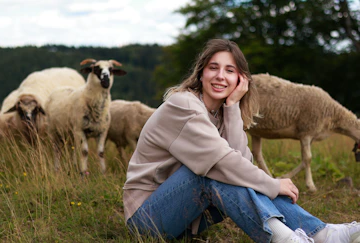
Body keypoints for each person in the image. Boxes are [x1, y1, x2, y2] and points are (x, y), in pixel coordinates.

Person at [122, 38, 360, 243]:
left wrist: (233, 106)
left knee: (233, 172)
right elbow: (224, 163)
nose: (220, 76)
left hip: (186, 220)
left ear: (241, 79)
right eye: (213, 67)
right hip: (147, 220)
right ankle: (290, 238)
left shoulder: (219, 112)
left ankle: (321, 233)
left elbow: (241, 161)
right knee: (210, 172)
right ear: (201, 73)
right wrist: (272, 184)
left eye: (229, 70)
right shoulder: (183, 105)